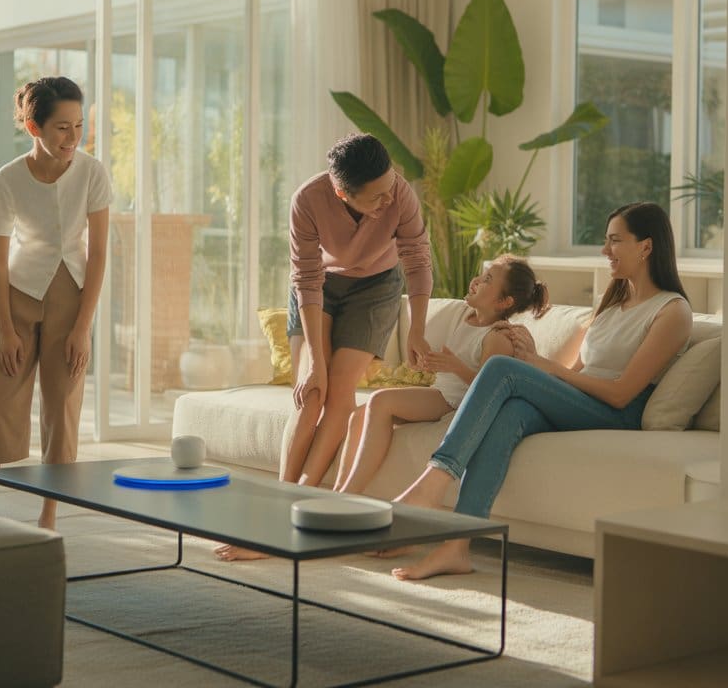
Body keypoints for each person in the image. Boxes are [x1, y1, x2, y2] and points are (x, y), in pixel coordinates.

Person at [390, 202, 692, 581]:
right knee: (511, 411)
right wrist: (535, 362)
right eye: (605, 241)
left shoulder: (672, 311)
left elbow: (621, 394)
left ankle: (434, 481)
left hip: (618, 412)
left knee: (502, 369)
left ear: (646, 247)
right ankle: (457, 546)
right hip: (583, 401)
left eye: (615, 241)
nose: (604, 251)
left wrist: (541, 367)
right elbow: (574, 372)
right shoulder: (614, 303)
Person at [215, 133, 432, 561]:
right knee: (311, 392)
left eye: (390, 188)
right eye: (376, 198)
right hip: (320, 289)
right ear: (342, 193)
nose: (388, 201)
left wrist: (417, 329)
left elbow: (418, 258)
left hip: (377, 287)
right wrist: (313, 360)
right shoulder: (308, 200)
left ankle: (298, 515)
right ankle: (278, 509)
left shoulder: (400, 194)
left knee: (339, 392)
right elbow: (307, 280)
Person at [0, 76, 111, 530]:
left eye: (79, 125)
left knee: (62, 405)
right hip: (17, 294)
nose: (73, 137)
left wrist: (82, 327)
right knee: (1, 401)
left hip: (71, 296)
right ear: (34, 128)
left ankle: (48, 516)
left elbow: (98, 255)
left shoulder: (92, 173)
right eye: (61, 128)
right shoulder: (8, 179)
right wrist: (7, 328)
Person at [332, 255, 550, 497]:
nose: (476, 280)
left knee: (380, 401)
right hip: (440, 393)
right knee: (358, 416)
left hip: (451, 402)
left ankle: (349, 493)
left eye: (487, 279)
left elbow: (488, 389)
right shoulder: (469, 319)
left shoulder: (498, 336)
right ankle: (338, 489)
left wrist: (455, 366)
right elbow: (452, 370)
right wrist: (434, 365)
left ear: (504, 301)